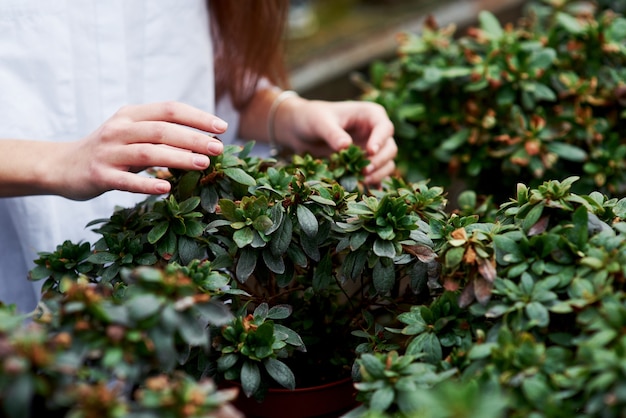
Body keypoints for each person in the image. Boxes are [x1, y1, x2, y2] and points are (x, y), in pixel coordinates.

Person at [0, 1, 397, 313]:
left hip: (196, 283)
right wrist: (57, 162)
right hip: (28, 295)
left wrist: (288, 115)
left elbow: (214, 82)